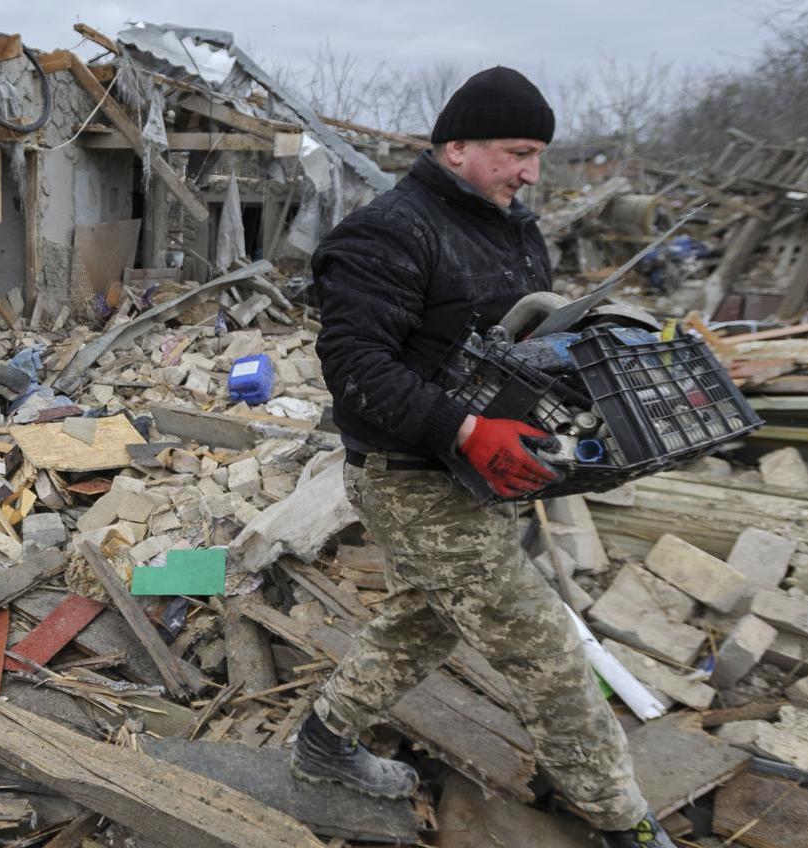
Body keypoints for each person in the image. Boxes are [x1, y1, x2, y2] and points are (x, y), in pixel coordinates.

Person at [302, 67, 673, 848]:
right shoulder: (389, 230)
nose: (530, 172)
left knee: (424, 621)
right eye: (516, 152)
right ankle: (626, 826)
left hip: (487, 472)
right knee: (546, 650)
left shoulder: (512, 226)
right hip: (411, 477)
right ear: (458, 147)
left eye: (537, 153)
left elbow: (517, 343)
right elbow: (355, 367)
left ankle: (324, 741)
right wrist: (464, 430)